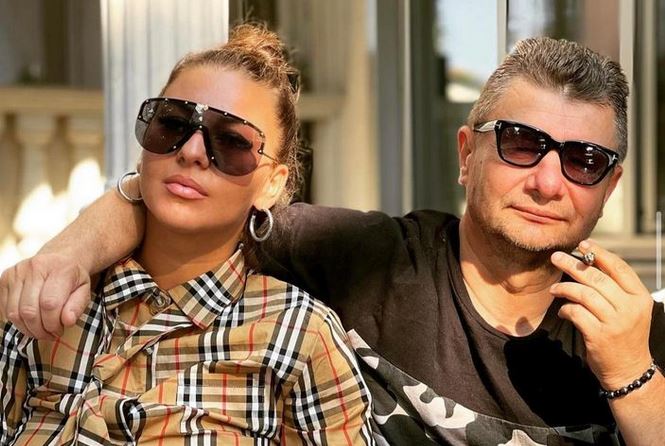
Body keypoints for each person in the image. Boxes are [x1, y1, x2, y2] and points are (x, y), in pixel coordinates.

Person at [2, 36, 664, 445]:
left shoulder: (637, 333)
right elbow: (182, 200)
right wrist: (63, 260)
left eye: (583, 161)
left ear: (610, 186)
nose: (547, 182)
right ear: (467, 154)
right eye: (521, 144)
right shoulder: (357, 258)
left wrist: (630, 375)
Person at [0, 24, 374, 446]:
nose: (191, 152)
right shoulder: (47, 304)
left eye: (232, 142)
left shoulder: (300, 336)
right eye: (173, 124)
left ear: (271, 184)